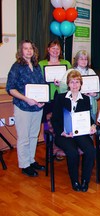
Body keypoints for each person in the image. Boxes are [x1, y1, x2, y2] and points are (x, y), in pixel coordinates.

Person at [51, 70, 96, 192]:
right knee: (72, 152)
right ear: (68, 84)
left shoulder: (85, 99)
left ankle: (85, 180)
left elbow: (89, 118)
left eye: (77, 82)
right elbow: (54, 120)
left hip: (80, 133)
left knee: (90, 150)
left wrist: (92, 125)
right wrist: (62, 132)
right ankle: (75, 180)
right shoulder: (60, 98)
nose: (75, 85)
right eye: (72, 82)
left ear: (81, 84)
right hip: (64, 134)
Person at [6, 40, 45, 177]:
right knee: (24, 137)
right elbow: (10, 89)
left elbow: (42, 85)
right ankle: (24, 165)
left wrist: (42, 101)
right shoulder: (16, 67)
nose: (29, 51)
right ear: (21, 51)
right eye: (26, 48)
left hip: (37, 108)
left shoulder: (36, 66)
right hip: (23, 107)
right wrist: (26, 99)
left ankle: (31, 160)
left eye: (31, 48)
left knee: (34, 135)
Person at [60, 50, 100, 122]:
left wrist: (95, 94)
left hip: (90, 106)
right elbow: (62, 90)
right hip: (74, 106)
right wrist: (76, 93)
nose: (84, 61)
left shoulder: (92, 72)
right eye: (81, 59)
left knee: (90, 127)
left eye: (86, 59)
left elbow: (98, 94)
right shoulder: (70, 72)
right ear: (76, 60)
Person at [39, 39, 72, 123]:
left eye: (57, 49)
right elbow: (38, 80)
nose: (55, 51)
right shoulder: (41, 64)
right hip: (46, 97)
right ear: (48, 49)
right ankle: (45, 136)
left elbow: (71, 79)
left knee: (61, 120)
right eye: (53, 48)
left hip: (63, 96)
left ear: (60, 51)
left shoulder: (66, 63)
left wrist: (62, 84)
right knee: (45, 121)